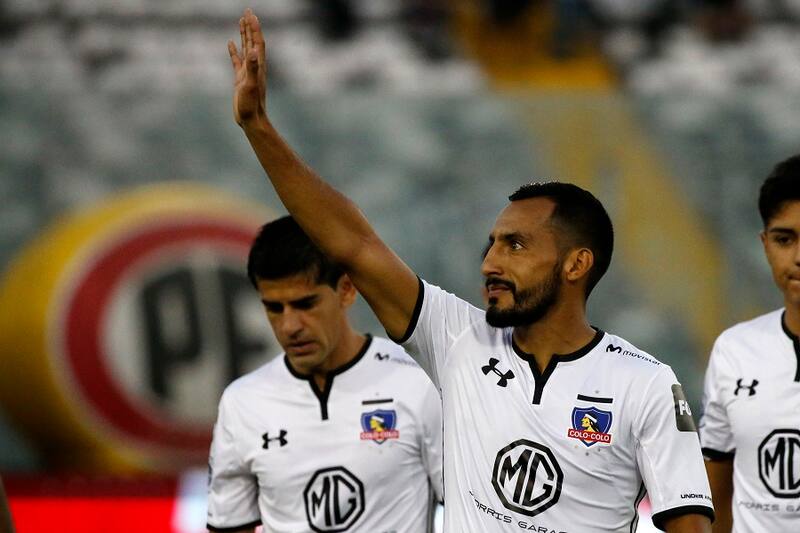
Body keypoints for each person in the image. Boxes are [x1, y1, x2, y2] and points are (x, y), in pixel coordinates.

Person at [226, 9, 715, 531]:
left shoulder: (645, 383)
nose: (490, 262)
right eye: (492, 245)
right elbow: (355, 244)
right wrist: (258, 128)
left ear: (576, 264)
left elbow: (690, 526)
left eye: (515, 246)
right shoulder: (458, 340)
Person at [206, 216, 443, 532]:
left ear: (346, 290)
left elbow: (470, 509)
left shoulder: (418, 379)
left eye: (306, 304)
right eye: (274, 308)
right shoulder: (242, 403)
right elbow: (230, 527)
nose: (290, 326)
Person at [699, 155, 800, 532]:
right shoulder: (734, 350)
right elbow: (715, 493)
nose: (799, 257)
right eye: (784, 239)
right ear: (765, 244)